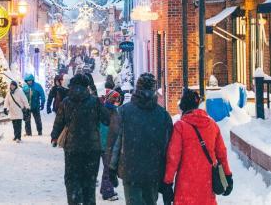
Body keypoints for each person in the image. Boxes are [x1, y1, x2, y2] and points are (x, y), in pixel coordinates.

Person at [107, 73, 173, 205]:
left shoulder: (123, 112)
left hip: (130, 170)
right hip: (153, 172)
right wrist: (167, 179)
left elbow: (115, 144)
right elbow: (169, 149)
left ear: (137, 89)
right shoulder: (163, 115)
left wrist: (111, 168)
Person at [163, 89, 233, 205]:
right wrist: (228, 175)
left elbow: (173, 158)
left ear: (183, 107)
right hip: (207, 184)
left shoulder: (180, 127)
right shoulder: (212, 125)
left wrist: (167, 183)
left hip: (185, 187)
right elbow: (222, 154)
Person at [51, 74, 111, 205]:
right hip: (92, 148)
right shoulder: (95, 101)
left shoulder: (66, 102)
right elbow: (107, 120)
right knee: (89, 182)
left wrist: (54, 137)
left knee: (72, 180)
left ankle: (74, 201)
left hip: (72, 148)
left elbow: (59, 121)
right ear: (86, 86)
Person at [100, 90, 122, 201]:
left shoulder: (105, 109)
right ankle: (108, 192)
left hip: (103, 143)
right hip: (107, 144)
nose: (117, 101)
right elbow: (113, 129)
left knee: (107, 168)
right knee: (108, 169)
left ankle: (105, 188)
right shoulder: (112, 112)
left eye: (118, 99)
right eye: (115, 99)